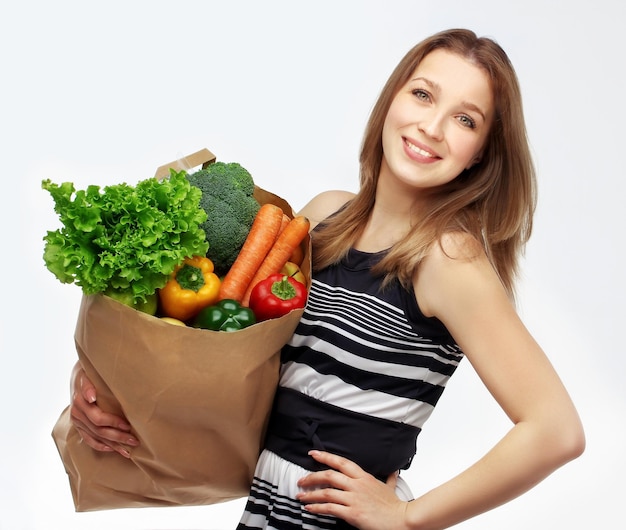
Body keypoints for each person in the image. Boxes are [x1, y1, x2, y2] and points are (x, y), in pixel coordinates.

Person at [70, 28, 585, 530]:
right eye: (423, 94)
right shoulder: (322, 218)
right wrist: (104, 385)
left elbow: (555, 430)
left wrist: (409, 517)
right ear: (391, 101)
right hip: (269, 507)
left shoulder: (448, 259)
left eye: (465, 120)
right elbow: (218, 348)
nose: (432, 127)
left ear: (482, 153)